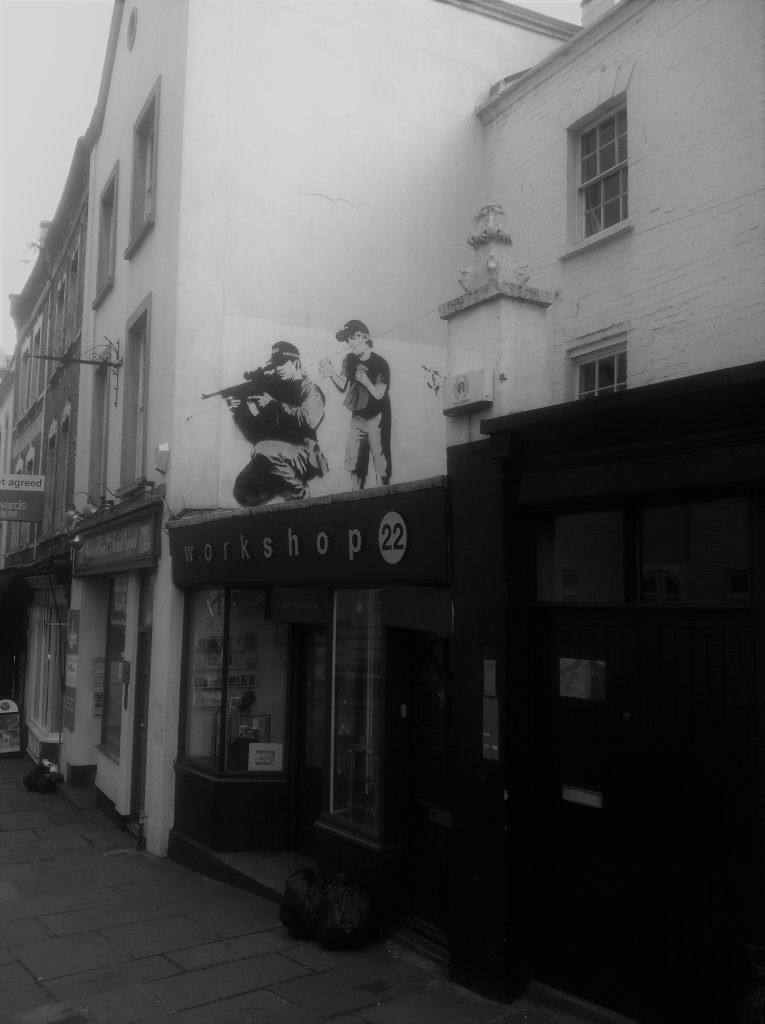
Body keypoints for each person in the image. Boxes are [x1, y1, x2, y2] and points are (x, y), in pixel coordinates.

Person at [227, 341, 328, 505]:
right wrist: (240, 411)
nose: (278, 368)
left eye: (282, 364)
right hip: (277, 453)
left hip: (306, 453)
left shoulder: (310, 389)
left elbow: (309, 420)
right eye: (276, 364)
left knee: (262, 448)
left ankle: (299, 491)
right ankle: (287, 488)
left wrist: (274, 405)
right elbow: (258, 434)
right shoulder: (277, 390)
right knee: (243, 487)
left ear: (296, 363)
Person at [319, 319, 391, 490]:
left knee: (380, 460)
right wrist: (331, 374)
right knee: (353, 462)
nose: (349, 343)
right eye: (347, 340)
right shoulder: (349, 359)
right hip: (357, 418)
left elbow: (380, 394)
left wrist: (367, 382)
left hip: (377, 418)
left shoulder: (380, 363)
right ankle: (354, 498)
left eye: (352, 338)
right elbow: (343, 383)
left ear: (365, 337)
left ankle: (384, 495)